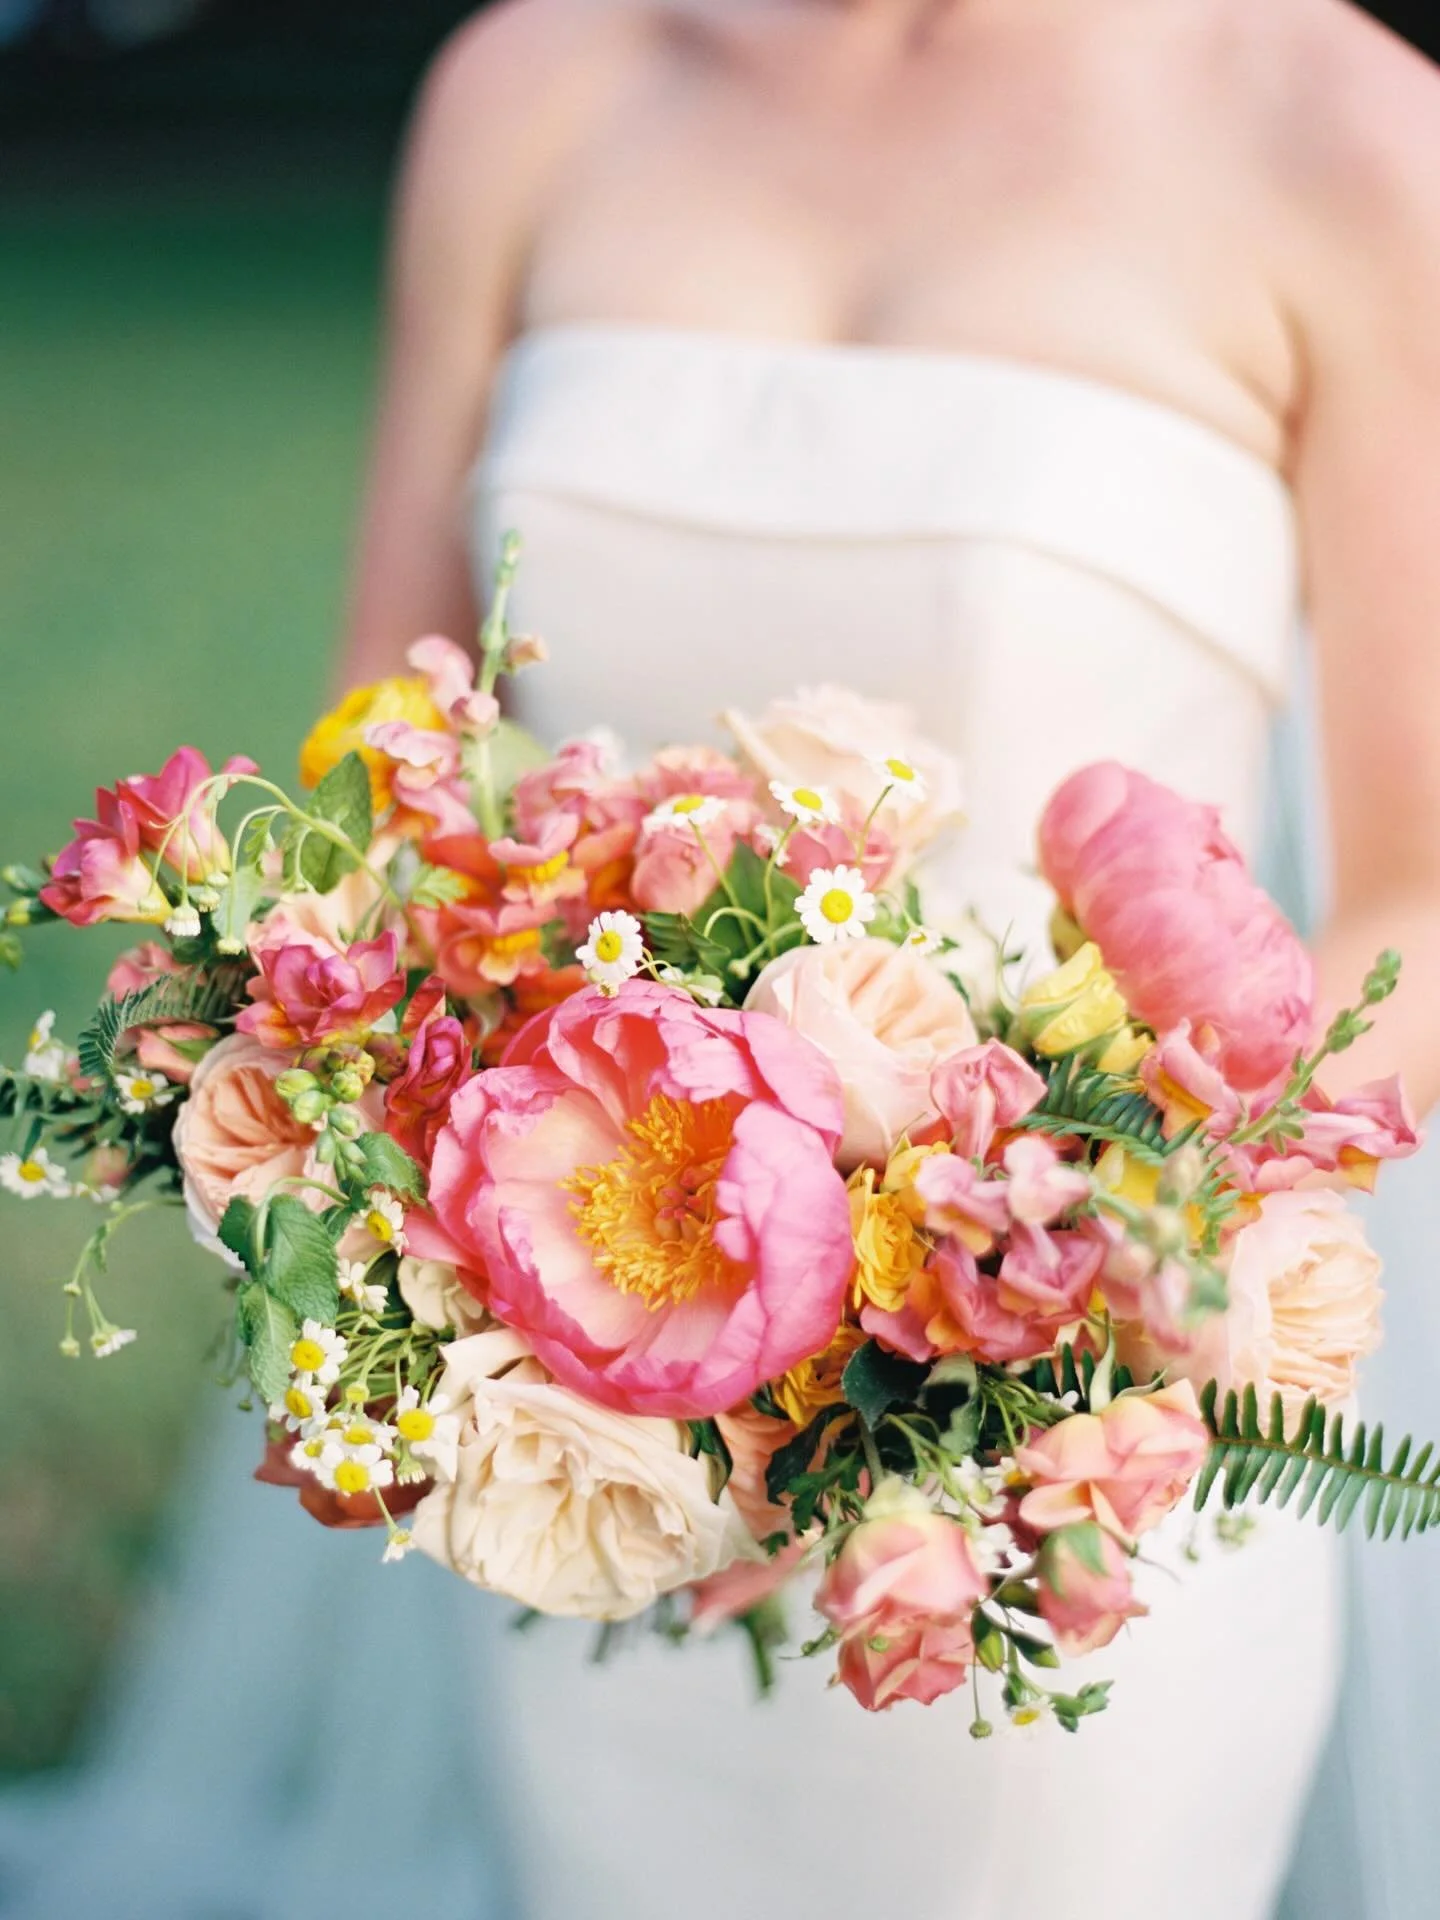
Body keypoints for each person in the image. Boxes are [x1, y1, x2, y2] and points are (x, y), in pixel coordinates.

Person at [340, 3, 1440, 1916]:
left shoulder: (1344, 129)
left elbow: (1421, 893)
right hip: (589, 1412)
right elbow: (390, 767)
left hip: (1060, 1473)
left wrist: (1066, 1292)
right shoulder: (528, 86)